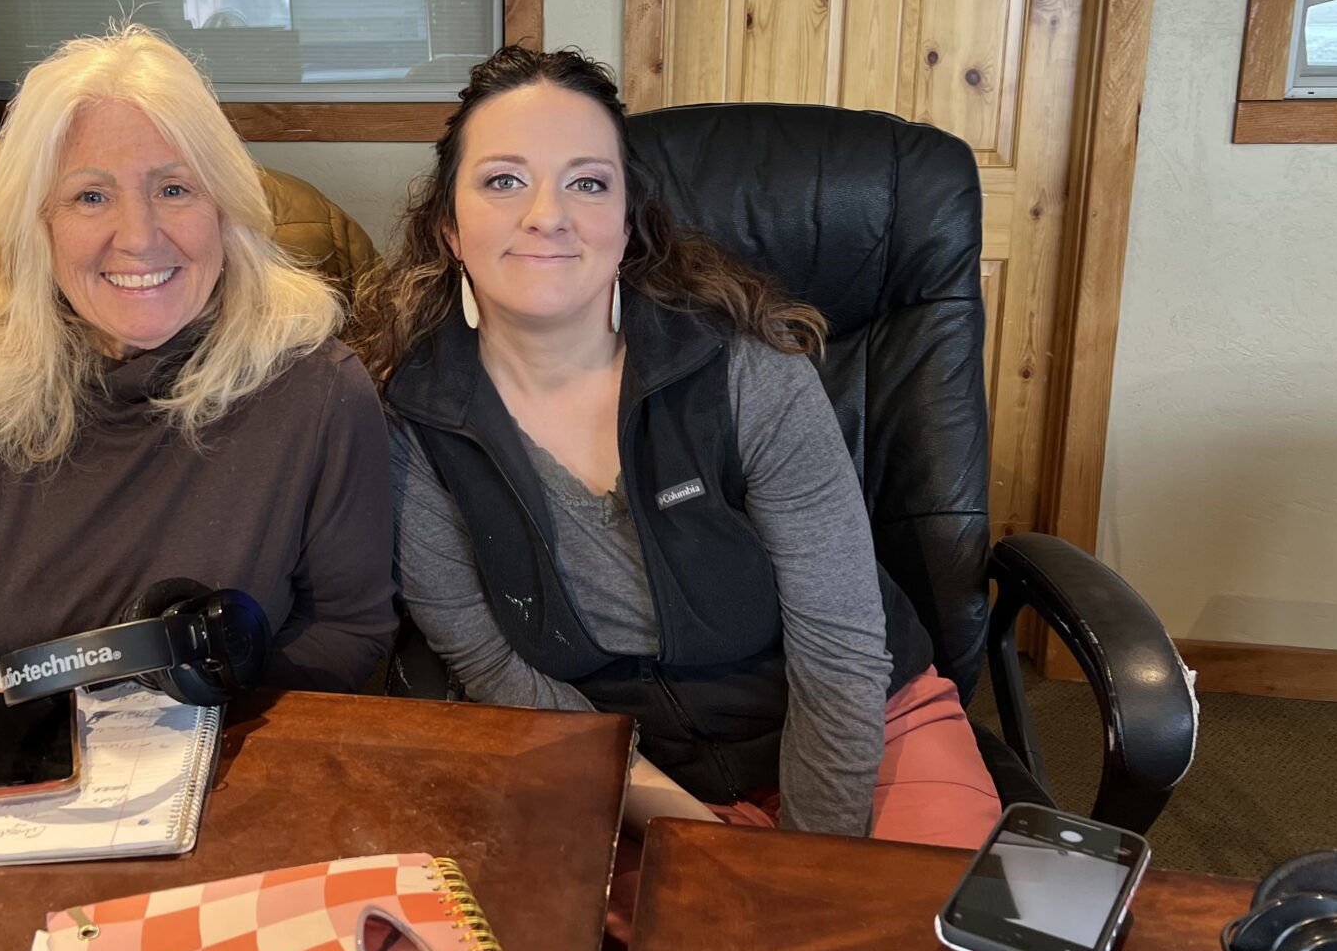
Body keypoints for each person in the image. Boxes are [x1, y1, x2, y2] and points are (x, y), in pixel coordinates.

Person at [352, 45, 1002, 853]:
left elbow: (839, 652)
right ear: (449, 227)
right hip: (623, 768)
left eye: (589, 183)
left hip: (862, 728)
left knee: (909, 923)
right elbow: (495, 666)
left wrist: (804, 865)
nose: (547, 214)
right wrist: (690, 834)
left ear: (626, 225)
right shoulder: (410, 425)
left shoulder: (750, 374)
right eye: (504, 180)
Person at [0, 26, 397, 691]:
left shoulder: (317, 388)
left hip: (224, 742)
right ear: (36, 225)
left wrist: (213, 697)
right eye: (91, 196)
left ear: (224, 210)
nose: (140, 238)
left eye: (175, 189)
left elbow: (348, 631)